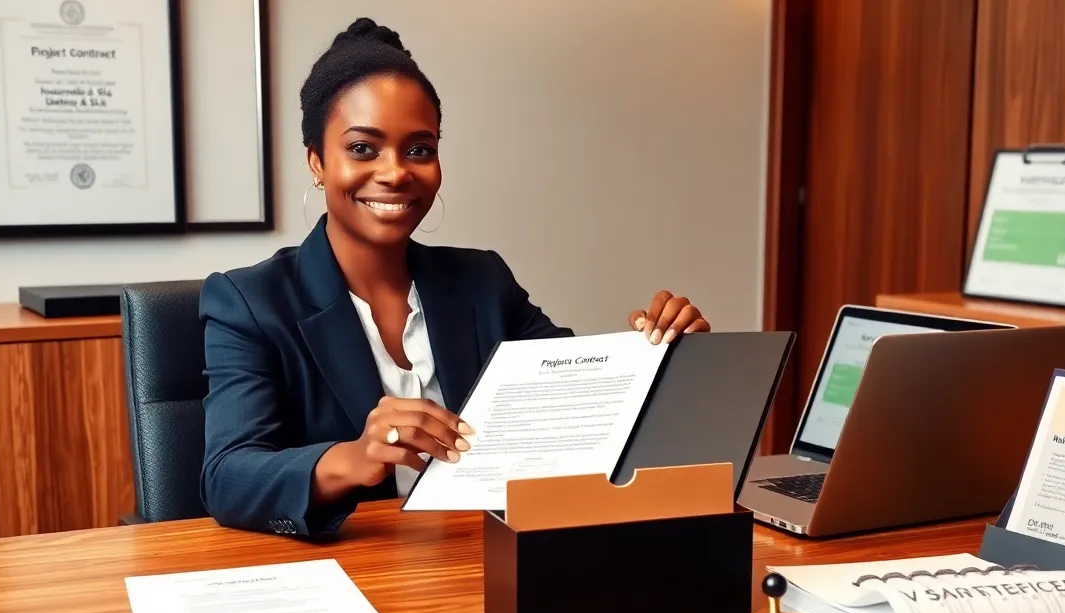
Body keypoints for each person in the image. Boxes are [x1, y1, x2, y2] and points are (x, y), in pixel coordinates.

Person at [199, 18, 712, 537]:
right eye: (362, 148)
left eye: (419, 149)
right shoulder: (249, 301)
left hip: (478, 558)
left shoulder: (481, 280)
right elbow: (226, 477)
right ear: (317, 161)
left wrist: (663, 359)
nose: (396, 171)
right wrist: (352, 457)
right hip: (350, 567)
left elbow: (578, 403)